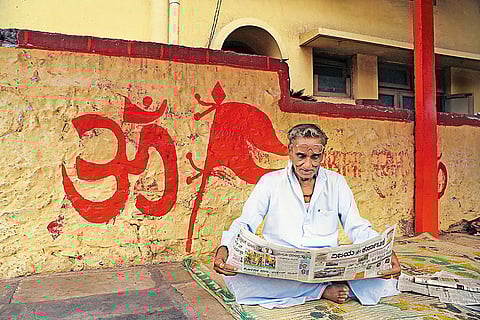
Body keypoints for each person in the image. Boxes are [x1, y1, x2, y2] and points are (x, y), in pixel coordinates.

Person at [213, 123, 401, 309]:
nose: (307, 165)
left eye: (315, 157)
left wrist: (383, 252)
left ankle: (317, 286)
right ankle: (320, 291)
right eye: (301, 156)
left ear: (323, 155)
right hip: (282, 267)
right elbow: (246, 222)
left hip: (327, 266)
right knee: (236, 276)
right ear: (290, 151)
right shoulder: (270, 182)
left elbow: (357, 226)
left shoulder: (336, 182)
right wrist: (225, 247)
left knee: (382, 280)